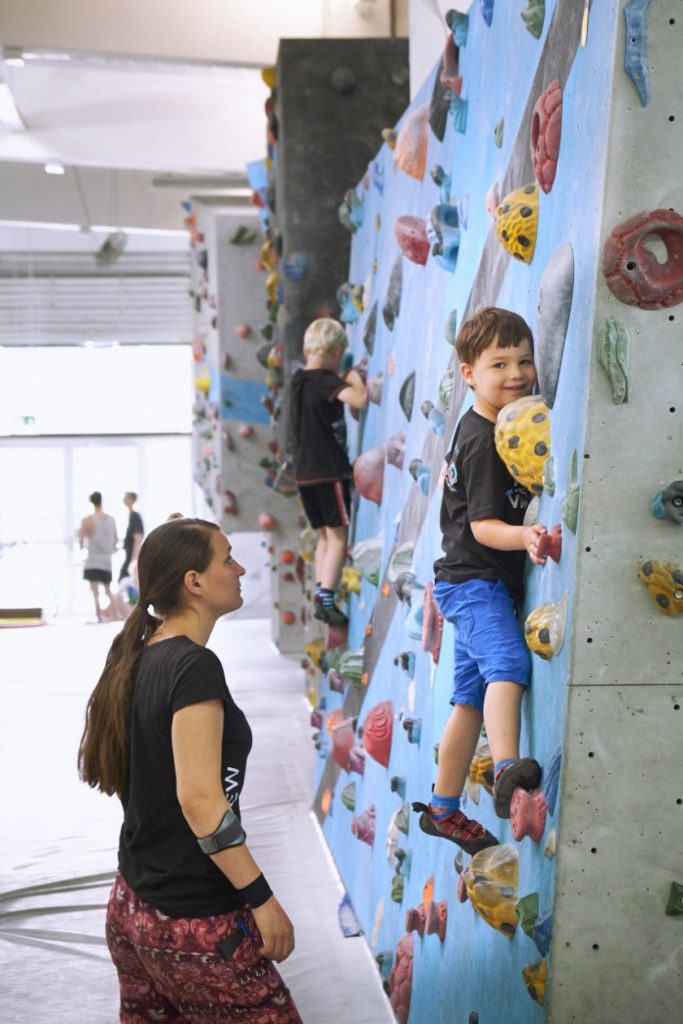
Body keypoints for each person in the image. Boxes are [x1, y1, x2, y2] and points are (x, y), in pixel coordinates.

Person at [78, 517, 302, 1023]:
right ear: (194, 582)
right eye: (227, 558)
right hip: (194, 923)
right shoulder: (193, 668)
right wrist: (261, 899)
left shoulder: (142, 656)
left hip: (133, 909)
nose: (241, 568)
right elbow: (200, 798)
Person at [412, 307, 548, 854]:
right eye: (499, 364)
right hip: (475, 583)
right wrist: (529, 538)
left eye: (525, 360)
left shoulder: (494, 424)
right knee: (508, 666)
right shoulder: (485, 439)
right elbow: (484, 526)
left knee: (469, 702)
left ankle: (442, 809)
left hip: (465, 584)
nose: (516, 373)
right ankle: (509, 768)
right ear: (468, 373)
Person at [290, 317, 367, 625]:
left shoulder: (298, 381)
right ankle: (326, 597)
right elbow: (358, 398)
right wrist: (353, 376)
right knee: (338, 537)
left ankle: (321, 589)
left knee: (324, 536)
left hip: (304, 474)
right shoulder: (325, 380)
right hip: (327, 471)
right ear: (336, 351)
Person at [79, 491, 118, 622]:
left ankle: (99, 617)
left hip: (93, 560)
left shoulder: (87, 520)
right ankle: (117, 616)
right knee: (108, 590)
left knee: (95, 593)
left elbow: (81, 540)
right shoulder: (111, 520)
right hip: (106, 560)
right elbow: (115, 540)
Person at [118, 491, 144, 583]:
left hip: (132, 557)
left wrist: (134, 561)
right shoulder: (131, 516)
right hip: (129, 556)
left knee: (124, 580)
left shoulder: (135, 516)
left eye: (126, 497)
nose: (124, 500)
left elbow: (138, 538)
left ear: (132, 500)